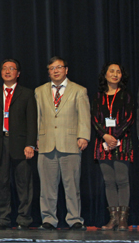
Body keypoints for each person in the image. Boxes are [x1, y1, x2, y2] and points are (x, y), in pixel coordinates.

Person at [35, 56, 90, 231]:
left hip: (71, 143)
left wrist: (84, 136)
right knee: (47, 187)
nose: (55, 71)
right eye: (51, 68)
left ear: (66, 70)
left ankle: (74, 219)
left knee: (71, 185)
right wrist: (35, 138)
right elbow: (37, 117)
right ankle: (49, 219)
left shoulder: (79, 90)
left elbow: (84, 115)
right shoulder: (40, 90)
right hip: (46, 143)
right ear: (48, 71)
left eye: (59, 67)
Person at [0, 59, 36, 230]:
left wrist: (30, 144)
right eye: (4, 68)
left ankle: (24, 219)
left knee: (23, 184)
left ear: (18, 73)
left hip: (21, 144)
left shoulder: (27, 94)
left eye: (11, 68)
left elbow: (32, 122)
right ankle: (3, 219)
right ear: (0, 72)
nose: (7, 71)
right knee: (1, 183)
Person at [91, 62, 134, 231]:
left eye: (118, 72)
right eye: (112, 71)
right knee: (109, 181)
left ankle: (123, 219)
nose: (115, 74)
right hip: (103, 143)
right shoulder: (97, 96)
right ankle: (113, 219)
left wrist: (114, 137)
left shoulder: (126, 95)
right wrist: (105, 136)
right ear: (105, 75)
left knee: (122, 180)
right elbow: (94, 119)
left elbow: (129, 118)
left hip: (121, 142)